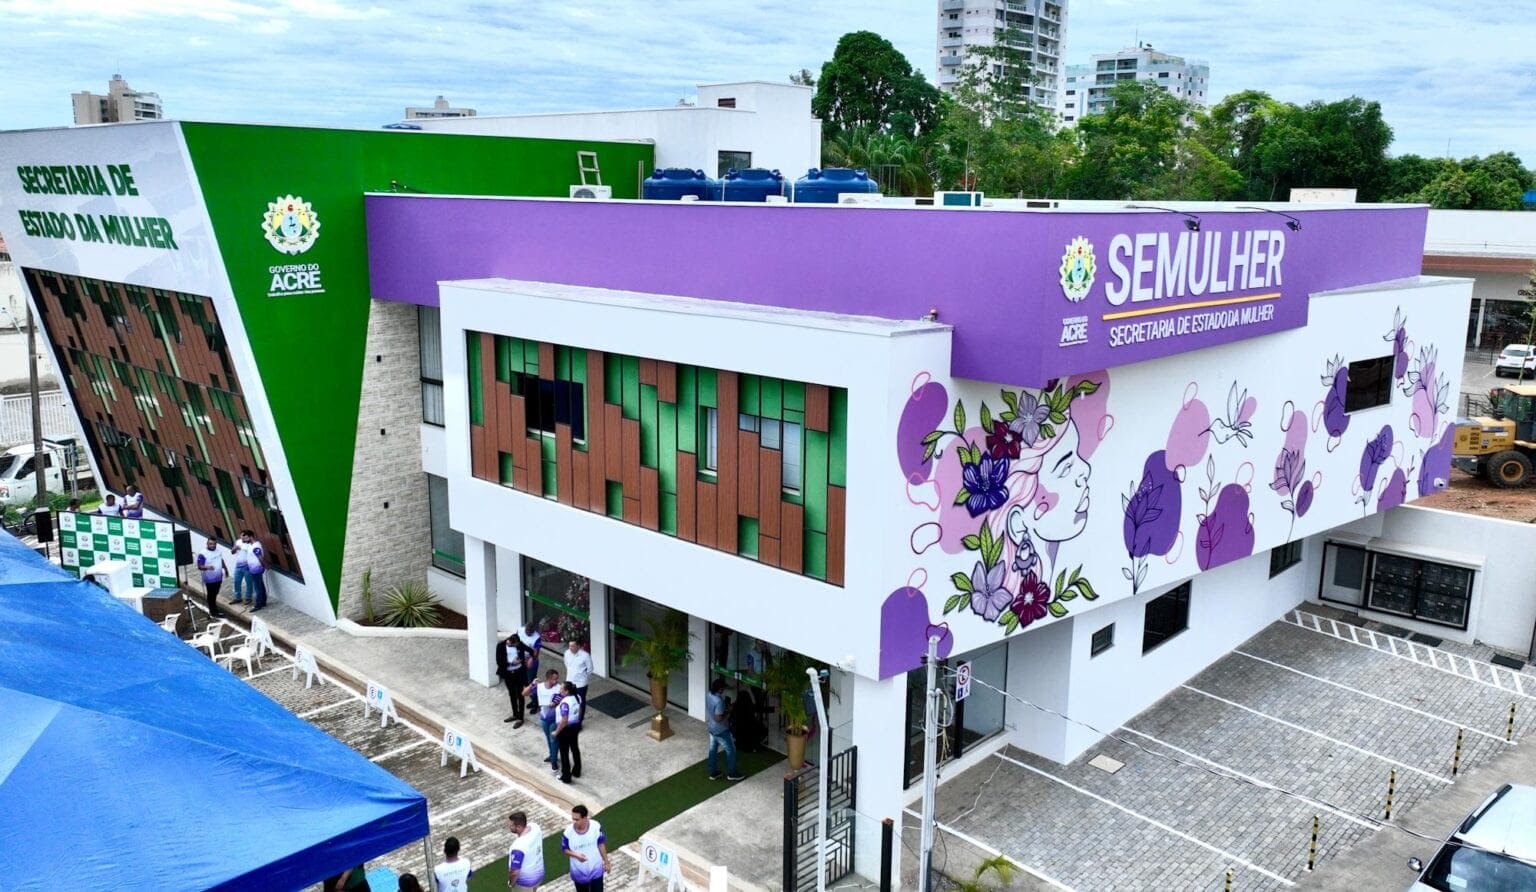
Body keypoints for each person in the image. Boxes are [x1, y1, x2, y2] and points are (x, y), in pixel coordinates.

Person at [562, 804, 610, 892]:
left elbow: (601, 844)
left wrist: (606, 862)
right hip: (579, 872)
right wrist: (576, 855)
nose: (574, 822)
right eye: (573, 819)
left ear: (584, 818)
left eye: (577, 819)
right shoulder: (568, 832)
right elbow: (565, 849)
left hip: (596, 870)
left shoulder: (595, 826)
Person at [706, 678, 745, 781]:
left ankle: (713, 772)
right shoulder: (719, 701)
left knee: (713, 749)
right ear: (720, 689)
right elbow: (718, 718)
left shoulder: (709, 694)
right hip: (721, 729)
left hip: (711, 727)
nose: (724, 690)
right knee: (731, 750)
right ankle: (732, 773)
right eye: (723, 688)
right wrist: (728, 711)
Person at [525, 669, 562, 770]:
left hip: (555, 718)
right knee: (548, 738)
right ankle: (552, 755)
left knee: (553, 739)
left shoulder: (559, 688)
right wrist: (532, 685)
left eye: (557, 678)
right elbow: (524, 693)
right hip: (544, 718)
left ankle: (553, 760)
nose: (557, 681)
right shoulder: (540, 687)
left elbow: (564, 698)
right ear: (548, 679)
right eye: (554, 679)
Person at [497, 632, 534, 727]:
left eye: (518, 644)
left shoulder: (519, 644)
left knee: (520, 694)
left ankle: (520, 718)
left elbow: (531, 651)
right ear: (510, 642)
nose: (517, 646)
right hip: (508, 674)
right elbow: (499, 662)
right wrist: (511, 663)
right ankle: (515, 714)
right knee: (512, 694)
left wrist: (531, 659)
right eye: (515, 645)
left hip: (519, 673)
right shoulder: (501, 646)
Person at [506, 811, 545, 891]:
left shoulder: (518, 847)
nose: (509, 826)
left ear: (519, 827)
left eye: (511, 825)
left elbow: (515, 872)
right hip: (538, 875)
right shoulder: (535, 827)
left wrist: (511, 883)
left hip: (524, 884)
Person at [554, 681, 583, 784]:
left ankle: (566, 776)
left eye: (562, 689)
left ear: (566, 691)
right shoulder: (577, 697)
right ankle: (577, 770)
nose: (560, 690)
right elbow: (580, 710)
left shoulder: (565, 702)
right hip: (575, 726)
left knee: (564, 752)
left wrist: (556, 732)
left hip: (565, 729)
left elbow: (564, 720)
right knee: (575, 748)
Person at [194, 536, 230, 618]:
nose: (213, 545)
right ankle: (213, 612)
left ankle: (214, 608)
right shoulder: (203, 554)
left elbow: (221, 560)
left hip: (219, 577)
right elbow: (199, 566)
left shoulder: (218, 552)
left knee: (215, 593)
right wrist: (207, 567)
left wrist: (226, 569)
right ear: (207, 544)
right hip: (209, 579)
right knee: (211, 595)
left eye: (214, 544)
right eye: (211, 544)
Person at [729, 686, 767, 754]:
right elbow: (760, 711)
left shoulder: (735, 706)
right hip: (748, 732)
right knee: (762, 729)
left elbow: (730, 719)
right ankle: (751, 745)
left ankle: (741, 743)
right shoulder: (750, 707)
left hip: (737, 732)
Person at [518, 621, 543, 715]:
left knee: (532, 683)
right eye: (527, 631)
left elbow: (536, 653)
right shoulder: (520, 630)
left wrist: (531, 660)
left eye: (530, 632)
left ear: (533, 631)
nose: (528, 633)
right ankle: (533, 700)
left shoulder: (537, 638)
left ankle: (536, 704)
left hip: (531, 662)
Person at [241, 530, 269, 611]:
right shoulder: (250, 545)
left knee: (257, 588)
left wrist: (265, 566)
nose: (245, 539)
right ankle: (263, 602)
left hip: (256, 569)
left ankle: (258, 605)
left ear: (251, 537)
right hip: (252, 569)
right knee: (260, 586)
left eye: (246, 538)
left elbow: (260, 558)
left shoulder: (256, 547)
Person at [564, 638, 594, 709]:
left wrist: (584, 678)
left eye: (572, 646)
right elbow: (566, 664)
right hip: (569, 681)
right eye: (569, 646)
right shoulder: (567, 653)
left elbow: (590, 669)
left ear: (578, 646)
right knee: (570, 699)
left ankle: (581, 713)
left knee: (581, 700)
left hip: (580, 683)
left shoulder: (585, 655)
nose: (570, 648)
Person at [229, 533, 251, 605]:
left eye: (244, 536)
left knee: (249, 583)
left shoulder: (249, 544)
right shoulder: (238, 542)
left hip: (247, 566)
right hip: (238, 566)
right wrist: (235, 548)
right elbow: (232, 552)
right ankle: (238, 598)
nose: (243, 537)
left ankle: (248, 598)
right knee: (236, 582)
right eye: (242, 535)